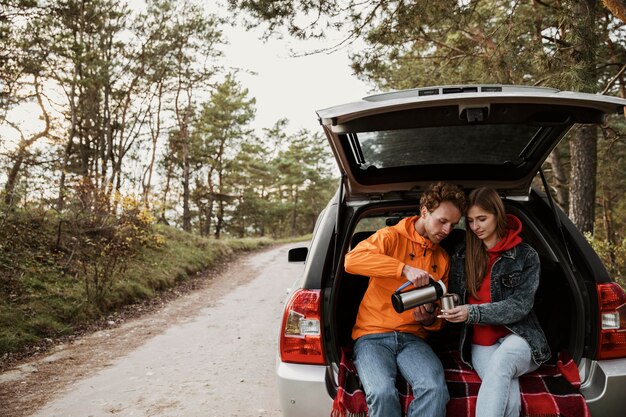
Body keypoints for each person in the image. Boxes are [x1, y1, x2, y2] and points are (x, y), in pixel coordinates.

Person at [344, 181, 467, 417]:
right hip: (372, 336)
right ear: (424, 212)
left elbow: (439, 319)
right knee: (381, 392)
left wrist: (429, 318)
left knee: (434, 389)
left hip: (414, 339)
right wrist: (403, 269)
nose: (447, 230)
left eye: (453, 224)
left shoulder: (441, 258)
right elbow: (352, 261)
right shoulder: (389, 237)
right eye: (442, 221)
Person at [442, 186, 551, 417]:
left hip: (520, 337)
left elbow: (519, 305)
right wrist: (445, 306)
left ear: (497, 215)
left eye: (482, 219)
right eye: (470, 221)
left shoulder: (525, 255)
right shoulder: (463, 254)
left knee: (502, 363)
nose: (475, 227)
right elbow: (454, 295)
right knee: (509, 401)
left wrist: (472, 313)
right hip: (481, 343)